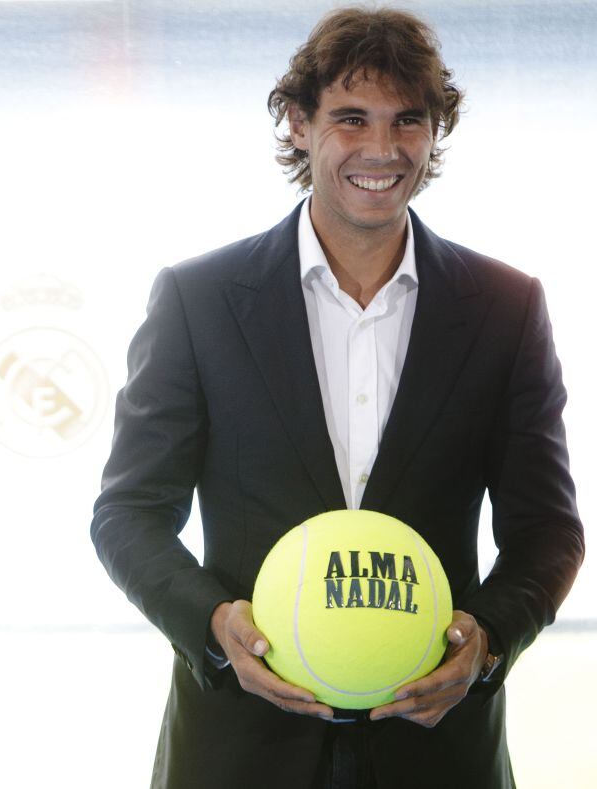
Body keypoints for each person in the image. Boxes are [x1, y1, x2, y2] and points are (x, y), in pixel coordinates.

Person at [91, 7, 583, 788]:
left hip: (438, 747)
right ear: (297, 123)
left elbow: (549, 530)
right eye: (351, 118)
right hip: (237, 750)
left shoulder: (505, 306)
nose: (382, 150)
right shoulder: (201, 298)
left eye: (407, 121)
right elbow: (127, 513)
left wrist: (485, 641)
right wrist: (217, 630)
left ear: (434, 132)